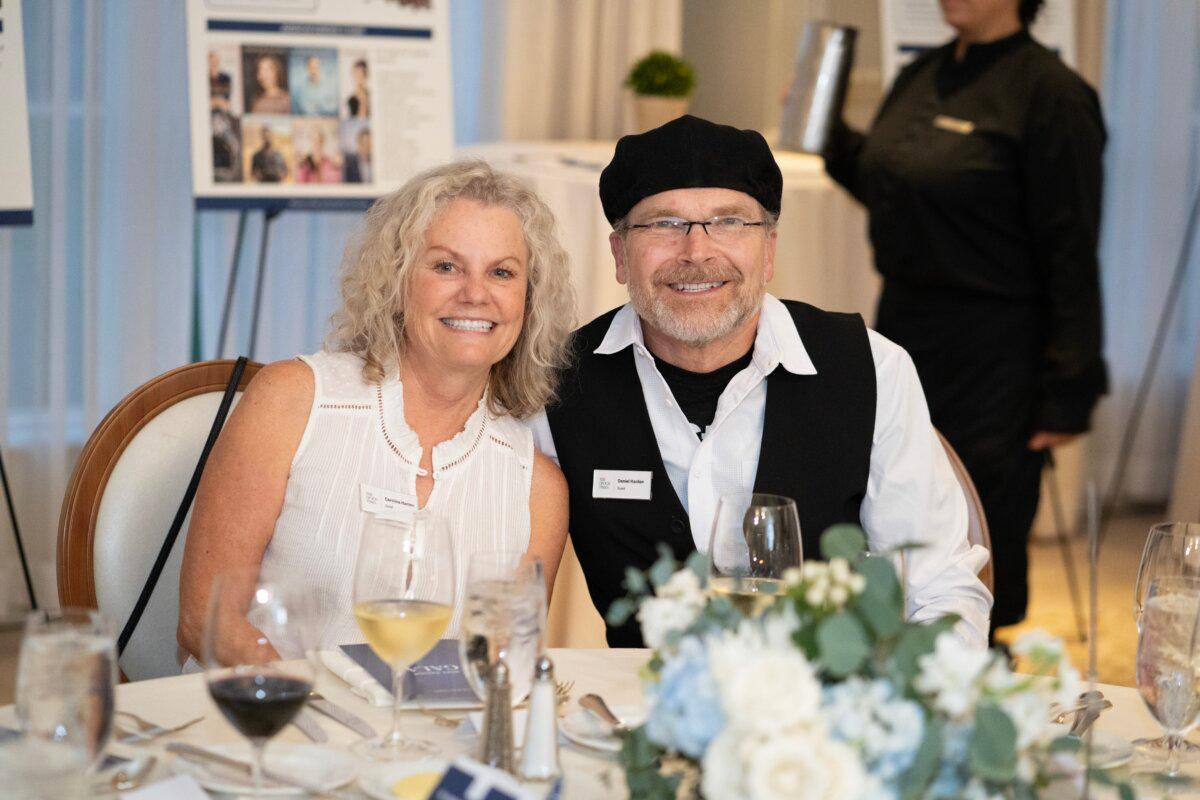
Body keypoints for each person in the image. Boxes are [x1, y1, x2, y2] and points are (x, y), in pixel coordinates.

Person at [529, 114, 993, 649]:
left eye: (729, 222)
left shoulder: (872, 369)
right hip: (640, 711)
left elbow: (937, 588)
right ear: (619, 255)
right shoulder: (555, 384)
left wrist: (900, 716)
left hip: (824, 712)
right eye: (663, 224)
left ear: (769, 250)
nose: (697, 252)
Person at [178, 161, 575, 663]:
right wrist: (327, 723)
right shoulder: (293, 400)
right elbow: (204, 621)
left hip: (435, 739)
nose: (476, 294)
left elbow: (506, 669)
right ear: (397, 278)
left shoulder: (537, 489)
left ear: (528, 299)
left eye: (502, 272)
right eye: (446, 266)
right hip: (274, 722)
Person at [822, 0, 1107, 636]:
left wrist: (1068, 387)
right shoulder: (919, 76)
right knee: (893, 506)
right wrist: (829, 135)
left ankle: (976, 672)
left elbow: (1072, 246)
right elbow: (892, 187)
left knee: (982, 526)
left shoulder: (1052, 94)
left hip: (996, 349)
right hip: (904, 328)